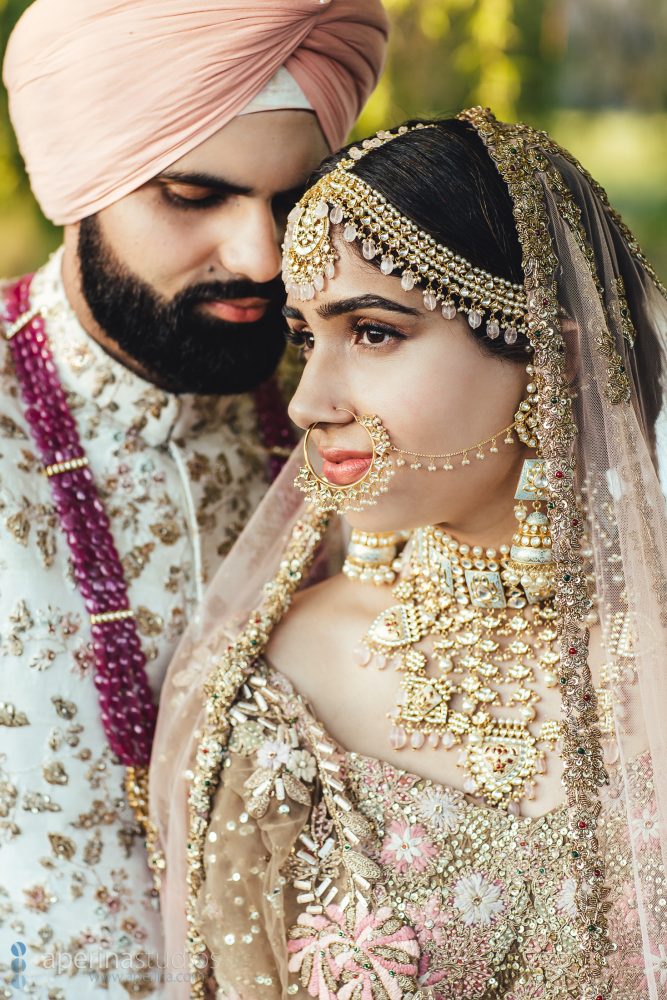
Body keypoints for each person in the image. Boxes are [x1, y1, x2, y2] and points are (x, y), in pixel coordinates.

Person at [150, 109, 667, 998]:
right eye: (307, 337)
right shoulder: (273, 687)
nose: (310, 400)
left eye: (374, 332)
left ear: (552, 359)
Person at [0, 2, 388, 995]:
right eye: (193, 195)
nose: (261, 256)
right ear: (81, 185)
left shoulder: (366, 413)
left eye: (296, 200)